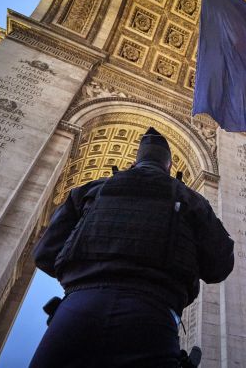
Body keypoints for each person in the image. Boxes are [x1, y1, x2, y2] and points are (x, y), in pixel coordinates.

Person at [30, 127, 234, 367]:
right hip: (151, 318)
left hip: (77, 312)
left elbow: (44, 254)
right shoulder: (190, 199)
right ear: (169, 166)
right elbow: (219, 266)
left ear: (135, 160)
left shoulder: (90, 190)